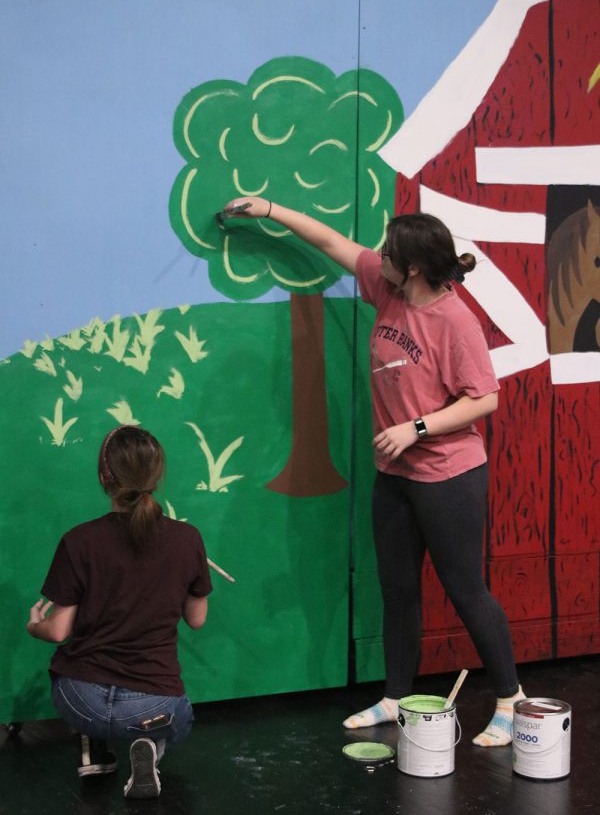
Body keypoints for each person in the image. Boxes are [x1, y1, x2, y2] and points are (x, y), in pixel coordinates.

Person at [223, 197, 524, 746]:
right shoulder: (389, 287)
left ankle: (511, 700)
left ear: (411, 266)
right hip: (396, 475)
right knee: (398, 589)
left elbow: (483, 399)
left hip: (449, 476)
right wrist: (269, 209)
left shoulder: (455, 320)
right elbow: (332, 243)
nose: (377, 255)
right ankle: (396, 697)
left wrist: (419, 428)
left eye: (388, 251)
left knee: (465, 589)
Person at [27, 425, 212, 797]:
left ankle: (93, 744)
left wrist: (35, 625)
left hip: (81, 700)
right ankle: (149, 748)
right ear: (157, 475)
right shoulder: (186, 539)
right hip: (154, 705)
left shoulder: (78, 540)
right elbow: (197, 619)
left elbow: (59, 631)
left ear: (103, 476)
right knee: (178, 717)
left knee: (67, 677)